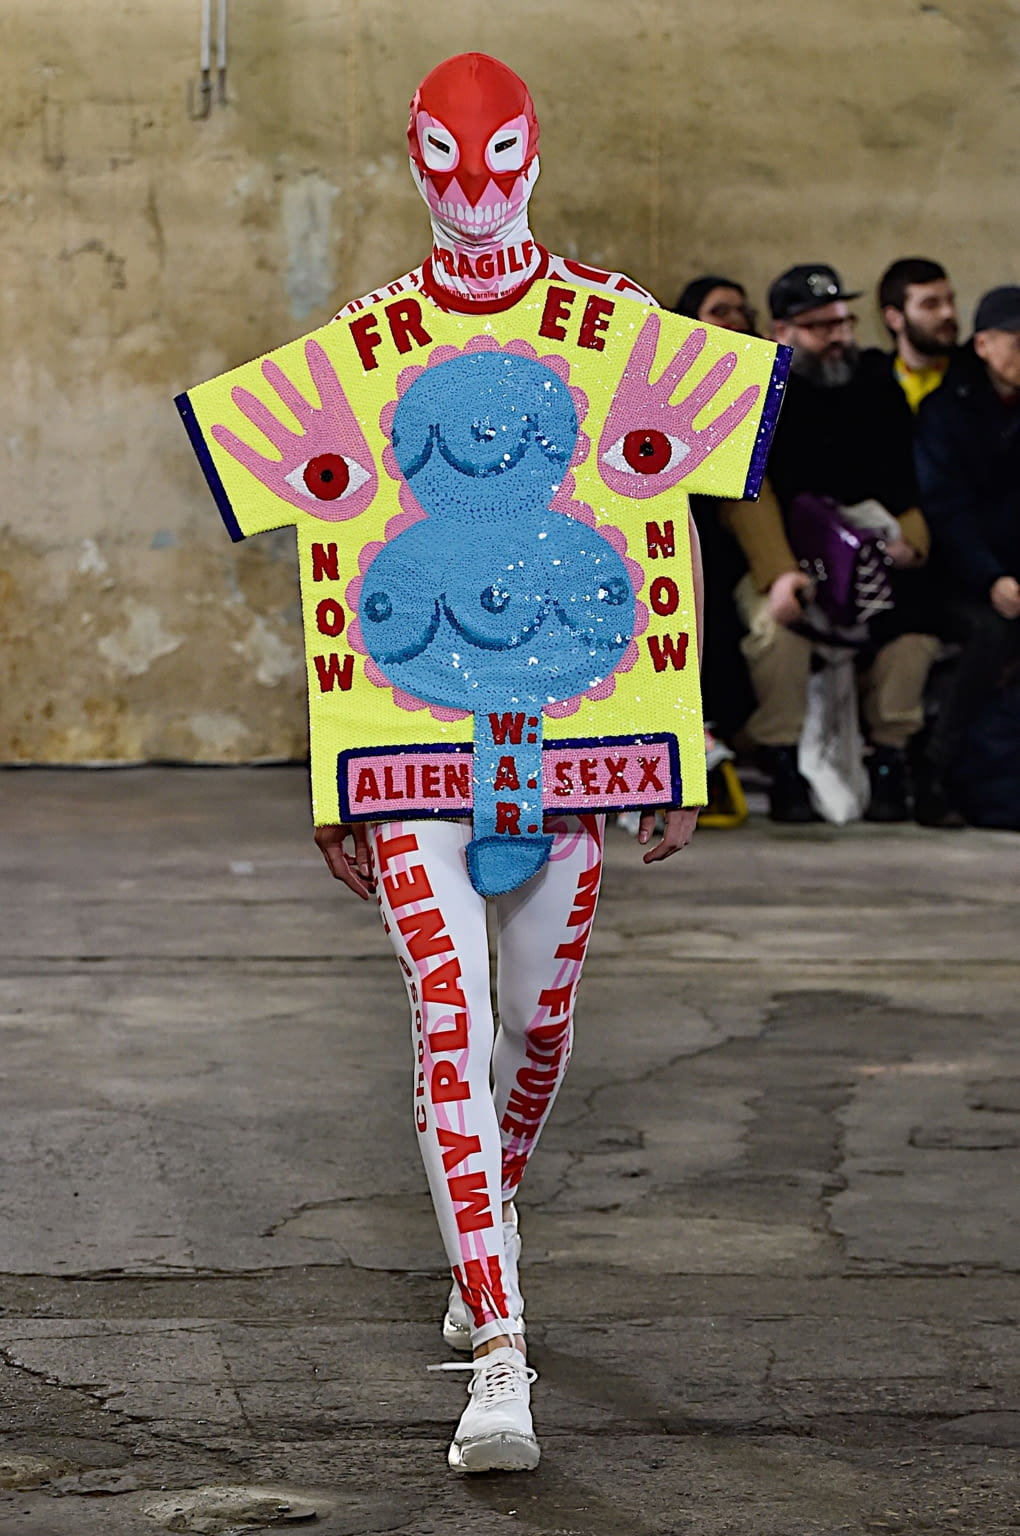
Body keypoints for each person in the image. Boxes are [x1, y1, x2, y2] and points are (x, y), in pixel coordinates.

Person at [313, 54, 703, 1475]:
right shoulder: (366, 342)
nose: (474, 191)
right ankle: (499, 1348)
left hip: (581, 731)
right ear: (412, 161)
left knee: (531, 1029)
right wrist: (335, 771)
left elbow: (667, 514)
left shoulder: (616, 323)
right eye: (446, 160)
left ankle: (483, 1222)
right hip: (414, 735)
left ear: (535, 155)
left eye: (497, 159)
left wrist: (677, 737)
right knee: (448, 1015)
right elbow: (332, 548)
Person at [729, 263, 940, 822]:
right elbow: (749, 493)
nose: (839, 337)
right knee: (778, 630)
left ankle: (890, 757)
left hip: (869, 556)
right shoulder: (759, 395)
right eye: (821, 327)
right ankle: (782, 761)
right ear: (783, 333)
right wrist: (779, 576)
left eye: (844, 323)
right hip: (791, 556)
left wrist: (910, 544)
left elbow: (904, 481)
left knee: (914, 629)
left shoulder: (875, 387)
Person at [915, 285, 1020, 812]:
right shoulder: (947, 411)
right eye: (1017, 343)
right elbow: (945, 508)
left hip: (1011, 573)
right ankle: (938, 768)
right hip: (956, 578)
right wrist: (991, 579)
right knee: (989, 632)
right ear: (983, 345)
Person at [878, 257, 959, 412]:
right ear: (894, 319)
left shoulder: (979, 376)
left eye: (950, 301)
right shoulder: (872, 386)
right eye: (930, 305)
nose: (947, 313)